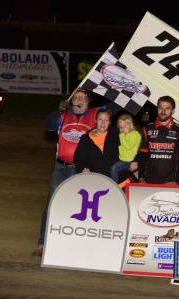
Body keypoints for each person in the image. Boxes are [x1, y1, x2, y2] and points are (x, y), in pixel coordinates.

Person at [34, 89, 118, 257]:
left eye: (83, 98)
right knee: (52, 204)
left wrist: (113, 85)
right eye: (76, 97)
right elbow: (49, 126)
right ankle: (43, 242)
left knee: (78, 208)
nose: (79, 99)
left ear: (88, 102)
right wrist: (58, 110)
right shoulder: (63, 115)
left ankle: (72, 244)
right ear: (71, 101)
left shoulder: (95, 114)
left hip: (83, 170)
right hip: (61, 168)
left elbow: (116, 105)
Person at [131, 96, 179, 184]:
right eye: (160, 108)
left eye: (167, 108)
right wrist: (141, 177)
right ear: (157, 109)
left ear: (173, 111)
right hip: (149, 181)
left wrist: (176, 180)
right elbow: (142, 155)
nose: (163, 111)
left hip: (170, 182)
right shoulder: (147, 128)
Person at [73, 109, 119, 176]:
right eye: (100, 119)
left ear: (109, 122)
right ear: (95, 121)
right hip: (93, 179)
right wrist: (83, 169)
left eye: (106, 120)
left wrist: (135, 160)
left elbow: (131, 147)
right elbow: (78, 159)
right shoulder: (85, 139)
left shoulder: (116, 136)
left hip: (113, 179)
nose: (103, 123)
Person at [110, 114, 141, 183]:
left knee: (114, 168)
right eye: (121, 127)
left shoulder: (134, 134)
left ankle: (113, 184)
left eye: (125, 126)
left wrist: (121, 136)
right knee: (117, 170)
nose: (123, 129)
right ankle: (129, 179)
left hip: (129, 160)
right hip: (125, 159)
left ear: (131, 125)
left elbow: (128, 146)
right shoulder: (126, 135)